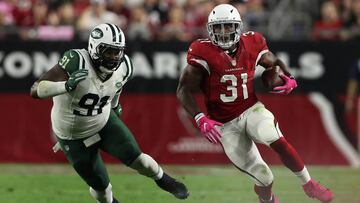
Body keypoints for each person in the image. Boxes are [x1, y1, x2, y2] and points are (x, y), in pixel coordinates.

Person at [176, 4, 334, 203]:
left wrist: (287, 76)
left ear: (238, 27)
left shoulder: (252, 42)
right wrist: (200, 118)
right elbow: (183, 89)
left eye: (228, 26)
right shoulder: (202, 50)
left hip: (250, 109)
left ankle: (309, 184)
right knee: (264, 177)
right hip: (225, 125)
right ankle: (267, 200)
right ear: (210, 30)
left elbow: (273, 62)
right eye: (219, 27)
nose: (224, 32)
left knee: (274, 137)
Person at [30, 23, 189, 203]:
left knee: (139, 160)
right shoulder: (76, 60)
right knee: (102, 187)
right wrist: (65, 86)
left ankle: (164, 180)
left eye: (117, 52)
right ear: (94, 48)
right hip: (72, 135)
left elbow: (114, 89)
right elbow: (35, 90)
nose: (114, 57)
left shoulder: (125, 66)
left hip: (103, 120)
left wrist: (114, 107)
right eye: (108, 51)